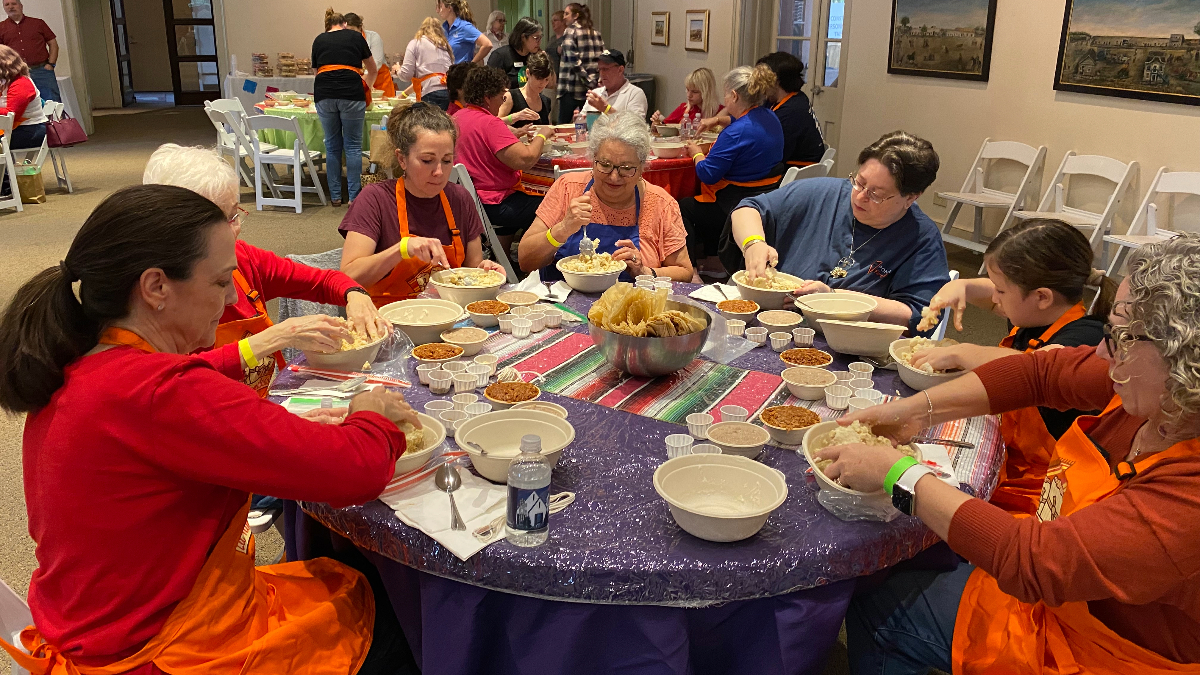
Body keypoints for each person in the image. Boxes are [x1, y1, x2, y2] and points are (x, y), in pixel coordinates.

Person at [0, 184, 421, 675]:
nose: (229, 302)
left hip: (98, 622)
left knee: (337, 579)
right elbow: (356, 470)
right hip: (158, 649)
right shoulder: (161, 390)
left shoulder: (77, 364)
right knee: (384, 611)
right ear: (156, 287)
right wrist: (372, 412)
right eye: (221, 283)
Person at [820, 234, 1200, 674]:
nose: (1100, 351)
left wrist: (898, 474)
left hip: (1099, 650)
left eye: (1120, 337)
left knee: (880, 604)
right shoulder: (1160, 392)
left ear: (1183, 358)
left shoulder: (1188, 496)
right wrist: (917, 411)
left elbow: (1034, 561)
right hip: (1063, 592)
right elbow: (1038, 373)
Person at [143, 143, 389, 397]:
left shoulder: (244, 258)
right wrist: (276, 337)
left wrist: (355, 293)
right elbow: (177, 382)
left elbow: (322, 280)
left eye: (234, 214)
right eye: (221, 219)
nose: (234, 229)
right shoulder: (160, 293)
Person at [911, 219, 1111, 515]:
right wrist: (960, 285)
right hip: (1007, 458)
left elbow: (1039, 369)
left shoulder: (1085, 337)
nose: (994, 299)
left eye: (1001, 292)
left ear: (1042, 296)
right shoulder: (1032, 315)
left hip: (1046, 493)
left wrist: (964, 352)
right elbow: (988, 293)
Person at [727, 131, 948, 332]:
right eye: (859, 183)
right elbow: (747, 209)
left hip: (850, 344)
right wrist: (753, 243)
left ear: (911, 197)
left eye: (876, 194)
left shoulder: (921, 238)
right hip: (775, 325)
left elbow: (920, 315)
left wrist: (834, 300)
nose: (860, 196)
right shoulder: (822, 193)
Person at [340, 103, 506, 306]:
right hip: (388, 320)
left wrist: (485, 272)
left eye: (447, 161)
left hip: (448, 317)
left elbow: (471, 270)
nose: (439, 172)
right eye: (427, 160)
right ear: (402, 159)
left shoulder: (460, 199)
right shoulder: (375, 200)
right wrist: (401, 249)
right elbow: (348, 277)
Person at [517, 111, 694, 282]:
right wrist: (562, 229)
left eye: (626, 168)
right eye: (605, 164)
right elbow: (525, 261)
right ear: (593, 159)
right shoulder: (568, 188)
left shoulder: (660, 203)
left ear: (642, 167)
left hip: (629, 306)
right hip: (562, 306)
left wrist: (645, 271)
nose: (614, 177)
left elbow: (684, 272)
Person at [678, 64, 783, 278]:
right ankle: (715, 261)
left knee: (682, 206)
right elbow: (744, 121)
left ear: (734, 95)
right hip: (765, 198)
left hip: (733, 203)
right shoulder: (770, 117)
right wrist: (718, 119)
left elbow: (707, 173)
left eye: (726, 93)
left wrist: (697, 152)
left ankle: (690, 271)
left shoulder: (735, 134)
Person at [453, 66, 552, 259]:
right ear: (488, 97)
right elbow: (526, 159)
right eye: (501, 97)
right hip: (493, 204)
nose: (502, 102)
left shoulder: (457, 117)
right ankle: (532, 259)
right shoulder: (490, 123)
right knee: (552, 206)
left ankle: (506, 258)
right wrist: (543, 134)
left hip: (469, 202)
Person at [312, 8, 377, 206]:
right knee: (353, 146)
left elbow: (317, 73)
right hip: (351, 93)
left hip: (324, 94)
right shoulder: (356, 37)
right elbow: (373, 68)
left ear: (329, 25)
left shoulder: (318, 40)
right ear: (345, 24)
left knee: (332, 146)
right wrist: (366, 85)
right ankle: (354, 197)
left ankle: (335, 196)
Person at [757, 51, 825, 166]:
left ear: (775, 81)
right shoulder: (797, 97)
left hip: (795, 169)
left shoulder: (790, 112)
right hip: (801, 163)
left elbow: (774, 155)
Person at [0, 0, 58, 102]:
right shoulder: (1, 27)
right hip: (17, 74)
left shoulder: (38, 23)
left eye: (14, 4)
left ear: (21, 6)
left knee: (52, 103)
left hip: (42, 71)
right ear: (4, 8)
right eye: (7, 5)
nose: (11, 7)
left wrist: (51, 64)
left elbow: (53, 43)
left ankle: (56, 119)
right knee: (22, 105)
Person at [556, 2, 604, 123]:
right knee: (588, 125)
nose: (564, 17)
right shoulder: (596, 33)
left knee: (564, 126)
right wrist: (594, 82)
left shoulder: (570, 31)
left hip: (571, 88)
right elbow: (601, 60)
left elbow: (574, 62)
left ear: (576, 16)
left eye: (567, 14)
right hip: (591, 89)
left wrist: (587, 81)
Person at [396, 17, 453, 108]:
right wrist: (404, 94)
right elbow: (431, 77)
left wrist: (397, 70)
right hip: (448, 92)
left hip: (430, 93)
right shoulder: (446, 47)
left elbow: (406, 75)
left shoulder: (416, 43)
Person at [0, 43, 46, 150]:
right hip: (15, 128)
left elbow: (11, 115)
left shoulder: (21, 83)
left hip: (31, 130)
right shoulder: (5, 82)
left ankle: (5, 166)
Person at [581, 49, 647, 120]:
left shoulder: (635, 94)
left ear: (620, 70)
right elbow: (582, 121)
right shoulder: (596, 93)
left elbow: (634, 126)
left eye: (606, 69)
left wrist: (606, 109)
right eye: (600, 69)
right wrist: (578, 120)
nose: (602, 74)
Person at [344, 13, 394, 98]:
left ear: (360, 27)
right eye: (346, 31)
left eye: (352, 30)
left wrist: (364, 82)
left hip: (380, 83)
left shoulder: (373, 37)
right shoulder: (344, 41)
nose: (349, 34)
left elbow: (376, 62)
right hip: (359, 83)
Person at [650, 67, 722, 127]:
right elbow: (666, 127)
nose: (689, 95)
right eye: (687, 90)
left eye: (695, 92)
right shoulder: (683, 108)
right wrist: (657, 123)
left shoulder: (721, 112)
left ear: (707, 92)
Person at [497, 50, 553, 127]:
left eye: (546, 80)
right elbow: (495, 123)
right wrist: (515, 117)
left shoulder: (546, 101)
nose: (542, 83)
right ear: (528, 73)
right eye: (539, 78)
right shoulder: (511, 96)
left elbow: (549, 127)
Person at [486, 16, 542, 89]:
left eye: (540, 37)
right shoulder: (500, 56)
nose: (539, 41)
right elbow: (490, 87)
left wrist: (545, 62)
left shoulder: (536, 56)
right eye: (536, 37)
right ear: (523, 37)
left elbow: (549, 84)